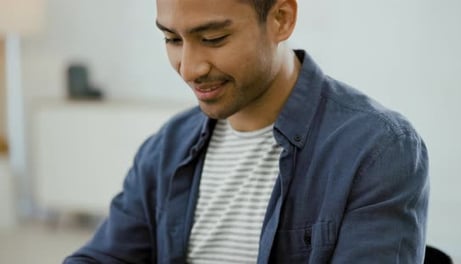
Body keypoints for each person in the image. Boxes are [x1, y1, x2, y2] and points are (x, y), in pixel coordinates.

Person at [65, 0, 429, 263]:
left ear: (281, 19)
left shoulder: (378, 149)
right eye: (172, 40)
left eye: (213, 38)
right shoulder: (166, 147)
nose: (190, 68)